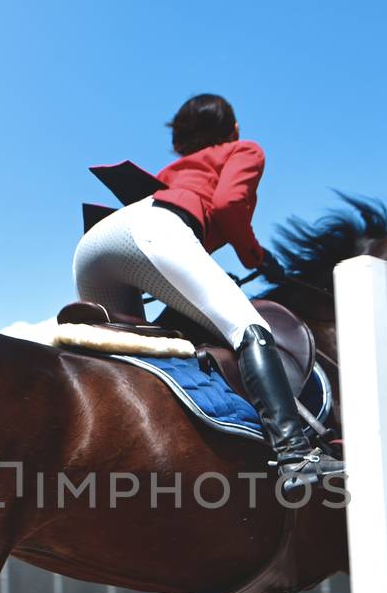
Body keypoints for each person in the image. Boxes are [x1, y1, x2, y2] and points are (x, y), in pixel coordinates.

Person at [72, 93, 344, 487]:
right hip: (153, 233)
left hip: (96, 243)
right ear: (233, 129)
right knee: (251, 330)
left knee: (126, 361)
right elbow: (230, 206)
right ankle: (295, 454)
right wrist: (256, 258)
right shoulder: (244, 149)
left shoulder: (174, 169)